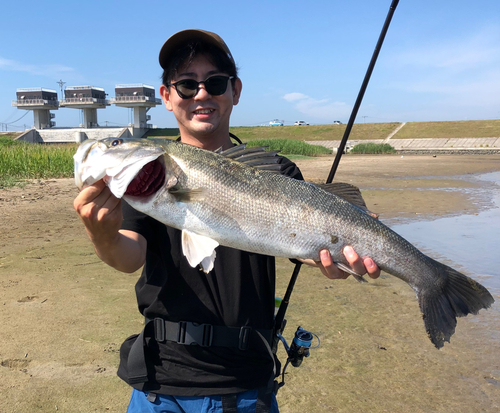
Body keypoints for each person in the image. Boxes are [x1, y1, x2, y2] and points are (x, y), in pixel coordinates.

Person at [73, 29, 380, 413]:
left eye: (214, 83)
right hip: (160, 380)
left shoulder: (279, 171)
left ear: (235, 90)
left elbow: (300, 249)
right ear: (167, 96)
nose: (201, 94)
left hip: (246, 385)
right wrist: (101, 234)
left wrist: (331, 261)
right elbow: (129, 255)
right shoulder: (144, 181)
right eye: (186, 85)